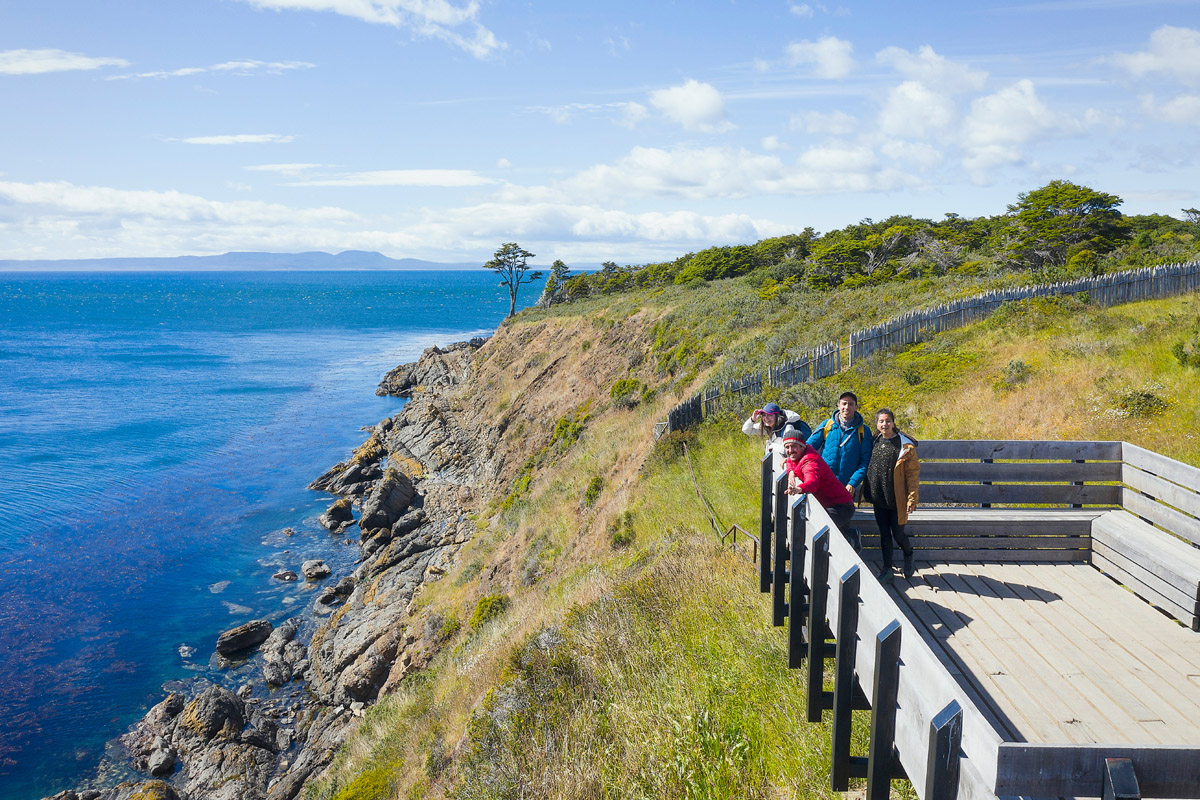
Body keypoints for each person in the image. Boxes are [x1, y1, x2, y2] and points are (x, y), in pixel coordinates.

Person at [862, 408, 919, 584]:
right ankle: (887, 569)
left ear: (893, 423)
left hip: (897, 498)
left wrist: (912, 498)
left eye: (888, 421)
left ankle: (908, 554)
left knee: (898, 534)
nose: (884, 424)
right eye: (881, 421)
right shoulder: (875, 440)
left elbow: (912, 474)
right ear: (876, 424)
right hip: (879, 496)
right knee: (884, 533)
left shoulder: (905, 446)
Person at [780, 427, 858, 548]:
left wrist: (799, 489)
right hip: (830, 502)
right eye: (787, 447)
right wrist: (790, 471)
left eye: (794, 446)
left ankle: (851, 537)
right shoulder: (802, 453)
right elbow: (791, 459)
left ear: (802, 446)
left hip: (840, 506)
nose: (790, 450)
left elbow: (812, 482)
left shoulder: (810, 462)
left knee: (821, 533)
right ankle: (851, 534)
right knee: (834, 535)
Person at [807, 392, 873, 496]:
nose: (847, 407)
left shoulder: (863, 431)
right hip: (823, 483)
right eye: (844, 403)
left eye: (851, 404)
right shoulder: (827, 425)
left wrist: (853, 483)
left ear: (856, 407)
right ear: (838, 405)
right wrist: (792, 458)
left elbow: (865, 461)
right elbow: (808, 447)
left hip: (846, 488)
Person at [743, 402, 811, 475]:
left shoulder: (788, 427)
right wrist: (752, 419)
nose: (766, 418)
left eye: (769, 415)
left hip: (797, 464)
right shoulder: (769, 426)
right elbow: (746, 430)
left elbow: (786, 450)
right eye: (764, 415)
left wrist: (772, 445)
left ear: (777, 416)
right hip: (782, 465)